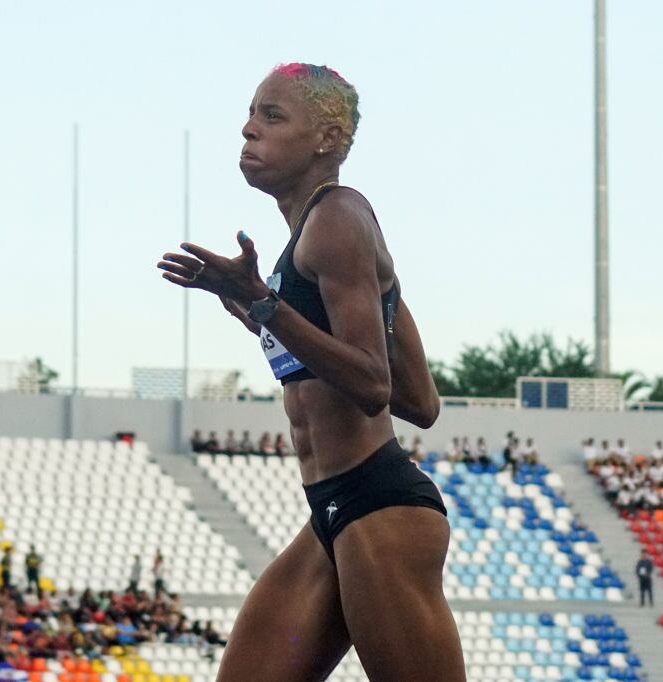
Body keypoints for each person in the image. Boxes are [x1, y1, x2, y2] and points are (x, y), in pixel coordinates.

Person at [158, 62, 463, 680]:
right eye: (249, 113)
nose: (248, 129)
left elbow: (374, 387)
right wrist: (263, 314)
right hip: (333, 511)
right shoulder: (318, 233)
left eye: (271, 116)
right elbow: (419, 399)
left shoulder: (338, 218)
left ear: (326, 138)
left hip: (379, 505)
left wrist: (269, 306)